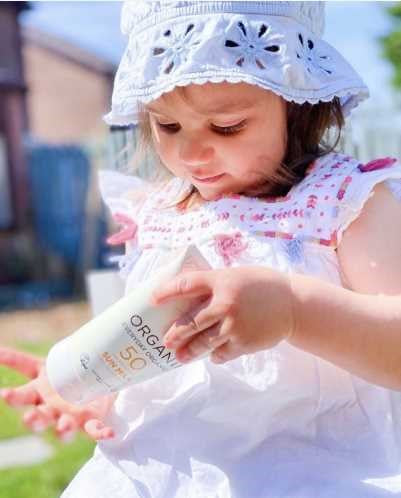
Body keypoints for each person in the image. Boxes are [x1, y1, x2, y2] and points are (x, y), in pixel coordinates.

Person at [1, 1, 401, 496]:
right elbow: (147, 351)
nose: (191, 153)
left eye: (227, 126)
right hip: (154, 475)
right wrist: (96, 385)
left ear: (298, 106)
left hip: (308, 474)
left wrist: (294, 310)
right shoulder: (158, 213)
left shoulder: (342, 201)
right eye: (167, 126)